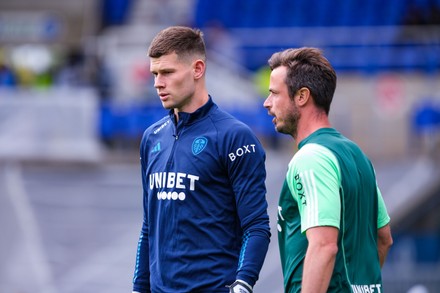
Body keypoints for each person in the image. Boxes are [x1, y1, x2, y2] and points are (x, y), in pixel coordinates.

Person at [132, 26, 271, 293]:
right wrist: (139, 287)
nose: (157, 83)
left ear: (197, 69)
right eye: (155, 74)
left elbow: (256, 226)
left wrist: (242, 285)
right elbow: (149, 226)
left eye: (167, 73)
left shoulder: (235, 137)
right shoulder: (151, 138)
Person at [263, 47, 393, 292]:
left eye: (273, 94)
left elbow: (324, 246)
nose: (267, 103)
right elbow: (384, 238)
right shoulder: (358, 155)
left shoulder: (310, 158)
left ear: (301, 96)